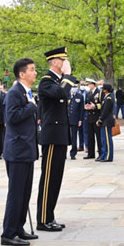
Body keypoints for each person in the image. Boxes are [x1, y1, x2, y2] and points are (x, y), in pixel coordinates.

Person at [36, 46, 77, 232]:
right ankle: (43, 218)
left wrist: (66, 77)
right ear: (54, 62)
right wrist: (68, 75)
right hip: (52, 136)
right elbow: (61, 93)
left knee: (56, 178)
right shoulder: (46, 82)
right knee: (48, 178)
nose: (66, 63)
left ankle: (50, 216)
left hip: (60, 136)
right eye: (63, 60)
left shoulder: (58, 81)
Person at [1, 58, 39, 246]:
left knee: (24, 193)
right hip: (17, 151)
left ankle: (19, 228)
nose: (35, 73)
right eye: (32, 70)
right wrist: (31, 106)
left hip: (26, 150)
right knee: (15, 193)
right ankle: (8, 233)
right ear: (22, 74)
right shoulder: (15, 92)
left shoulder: (27, 92)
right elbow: (12, 117)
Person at [97, 83, 115, 162]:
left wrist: (100, 119)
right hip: (105, 121)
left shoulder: (109, 98)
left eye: (103, 89)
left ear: (106, 90)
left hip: (107, 121)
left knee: (107, 140)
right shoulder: (106, 97)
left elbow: (105, 111)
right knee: (103, 139)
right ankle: (104, 154)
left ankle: (108, 156)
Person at [84, 78, 102, 160]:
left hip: (96, 116)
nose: (88, 86)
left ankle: (101, 153)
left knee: (98, 136)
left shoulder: (99, 93)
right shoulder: (88, 93)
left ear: (93, 84)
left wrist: (95, 106)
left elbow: (102, 104)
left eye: (89, 84)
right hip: (89, 117)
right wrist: (86, 107)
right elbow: (86, 103)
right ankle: (91, 153)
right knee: (90, 136)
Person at [68, 86, 84, 160]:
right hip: (66, 119)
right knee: (65, 137)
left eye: (75, 87)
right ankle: (63, 153)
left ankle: (73, 153)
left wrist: (80, 120)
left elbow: (81, 109)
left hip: (75, 119)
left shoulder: (80, 96)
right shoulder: (67, 95)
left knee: (74, 137)